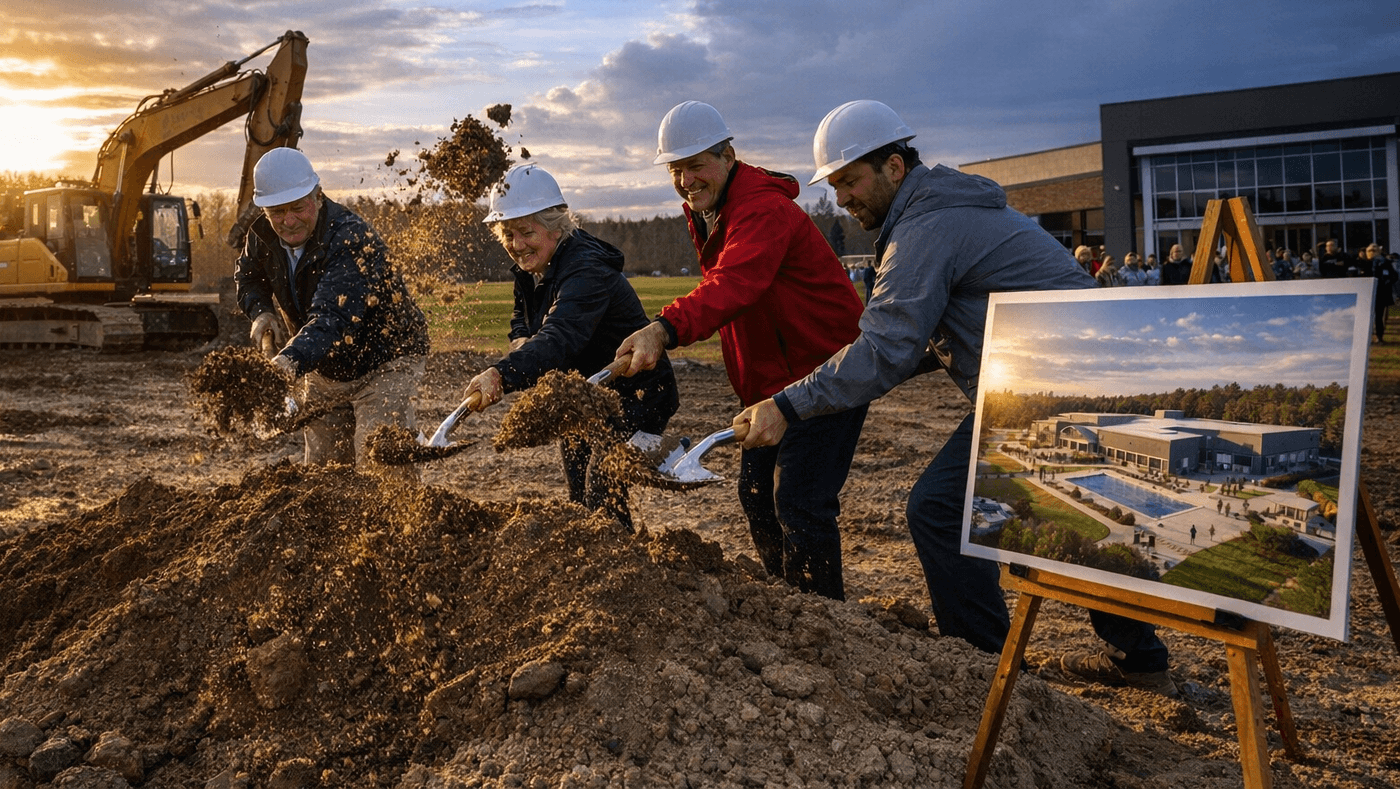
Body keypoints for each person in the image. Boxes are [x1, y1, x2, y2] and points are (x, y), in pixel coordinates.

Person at [731, 99, 1176, 695]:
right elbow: (917, 342)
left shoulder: (924, 227)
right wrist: (836, 381)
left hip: (1056, 385)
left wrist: (788, 405)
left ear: (894, 167)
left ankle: (984, 671)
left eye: (850, 181)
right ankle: (1141, 662)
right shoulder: (942, 211)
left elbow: (886, 347)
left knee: (941, 509)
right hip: (1083, 374)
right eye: (834, 186)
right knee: (1061, 502)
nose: (842, 199)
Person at [614, 100, 868, 600]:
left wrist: (663, 329)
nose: (687, 181)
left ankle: (825, 623)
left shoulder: (761, 208)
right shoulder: (713, 211)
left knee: (799, 501)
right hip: (773, 382)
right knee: (756, 496)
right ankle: (786, 601)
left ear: (728, 156)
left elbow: (735, 284)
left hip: (826, 371)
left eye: (697, 165)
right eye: (676, 169)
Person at [463, 164, 679, 530]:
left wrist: (502, 372)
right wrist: (521, 342)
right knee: (581, 495)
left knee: (602, 483)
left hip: (635, 394)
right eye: (507, 234)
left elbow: (560, 338)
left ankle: (625, 571)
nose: (516, 245)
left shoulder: (585, 270)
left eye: (526, 232)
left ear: (557, 225)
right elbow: (523, 319)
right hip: (582, 396)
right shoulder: (532, 269)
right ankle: (601, 565)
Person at [235, 147, 429, 468]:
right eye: (277, 212)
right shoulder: (261, 234)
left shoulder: (351, 238)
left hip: (385, 358)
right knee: (325, 470)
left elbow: (332, 317)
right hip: (324, 363)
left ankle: (396, 515)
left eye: (297, 208)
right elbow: (249, 275)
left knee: (379, 458)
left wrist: (290, 360)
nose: (288, 220)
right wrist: (260, 312)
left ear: (318, 195)